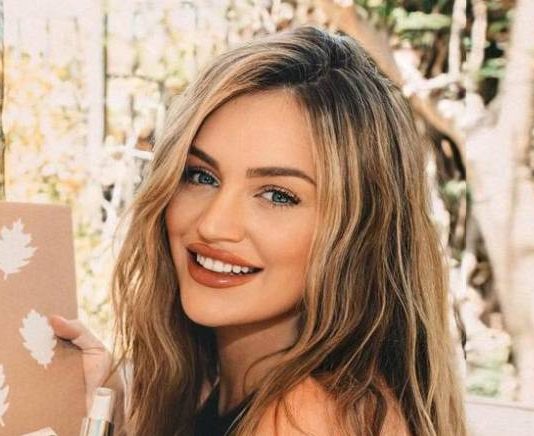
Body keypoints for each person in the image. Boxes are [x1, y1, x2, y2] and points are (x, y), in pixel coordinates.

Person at [50, 26, 467, 435]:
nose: (213, 224)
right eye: (201, 176)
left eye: (277, 195)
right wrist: (111, 420)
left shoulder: (305, 418)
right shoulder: (229, 391)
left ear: (360, 231)